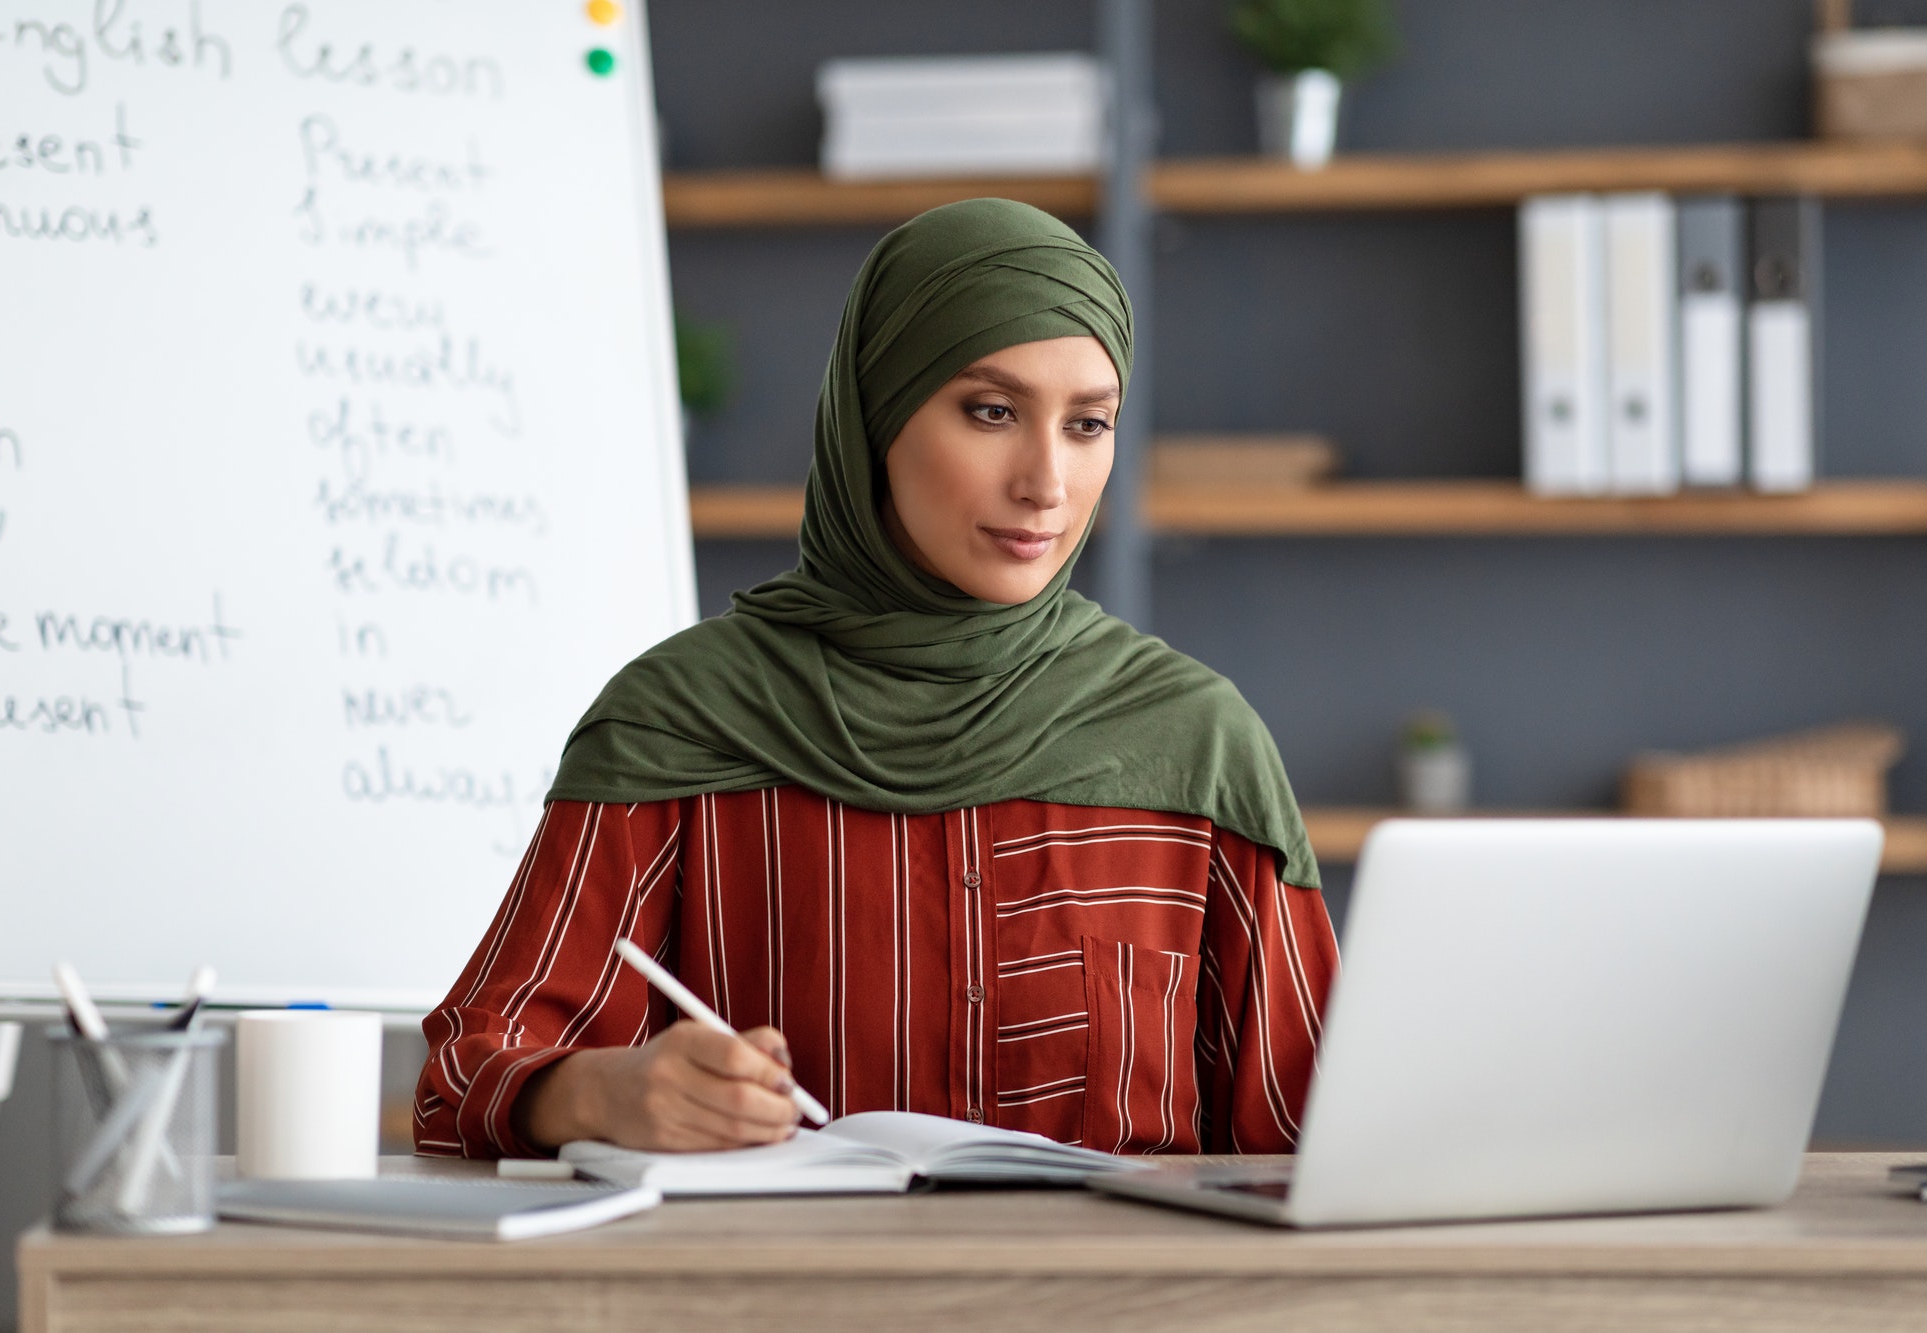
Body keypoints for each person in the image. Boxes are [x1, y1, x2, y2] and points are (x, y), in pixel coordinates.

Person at [415, 199, 1337, 1159]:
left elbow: (1317, 1140)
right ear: (877, 414)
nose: (1047, 482)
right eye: (991, 411)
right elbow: (455, 1088)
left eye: (1088, 423)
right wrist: (598, 1094)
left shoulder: (1195, 740)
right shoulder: (681, 719)